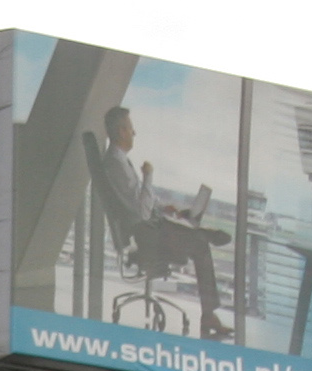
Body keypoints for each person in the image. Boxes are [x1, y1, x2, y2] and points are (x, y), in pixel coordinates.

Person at [89, 105, 231, 339]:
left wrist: (164, 208)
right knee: (199, 244)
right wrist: (148, 176)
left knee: (191, 232)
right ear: (121, 131)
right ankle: (208, 316)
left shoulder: (118, 161)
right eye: (131, 129)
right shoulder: (116, 164)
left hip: (147, 228)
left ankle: (202, 231)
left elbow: (137, 202)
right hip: (145, 234)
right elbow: (142, 212)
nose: (134, 134)